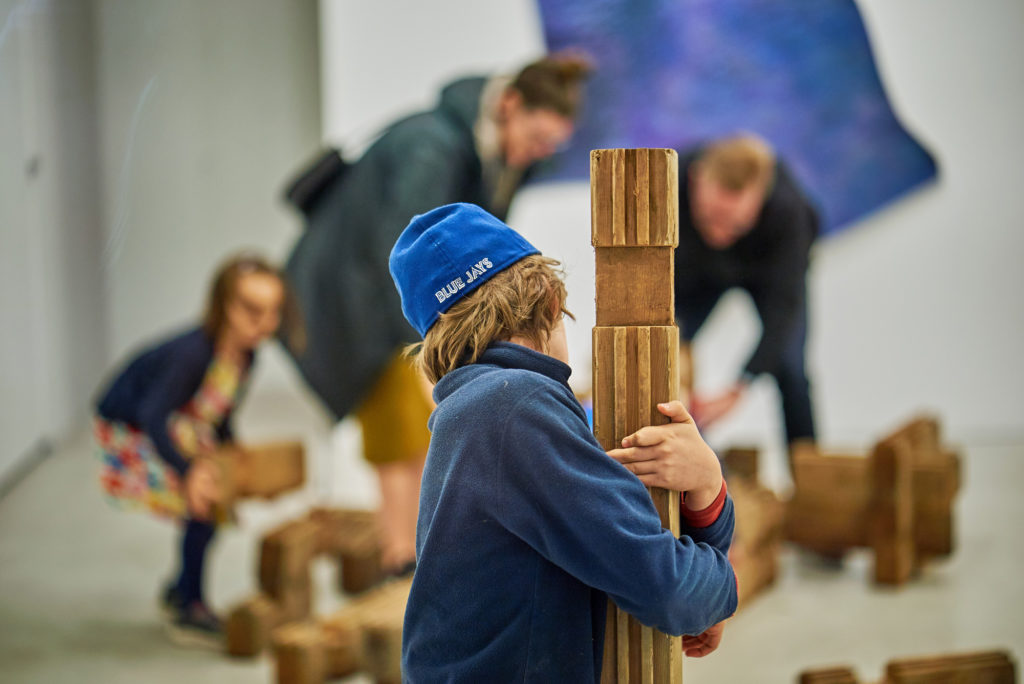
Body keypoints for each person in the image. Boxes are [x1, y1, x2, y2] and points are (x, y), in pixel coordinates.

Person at [389, 203, 737, 681]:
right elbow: (669, 590)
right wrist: (718, 587)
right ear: (551, 299)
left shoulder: (478, 411)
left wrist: (704, 491)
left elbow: (640, 552)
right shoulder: (515, 408)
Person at [283, 53, 591, 574]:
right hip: (354, 295)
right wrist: (436, 354)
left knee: (425, 419)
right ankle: (401, 555)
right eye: (536, 138)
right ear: (510, 105)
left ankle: (415, 549)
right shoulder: (433, 145)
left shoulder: (499, 152)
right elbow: (407, 258)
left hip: (382, 291)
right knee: (401, 417)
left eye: (548, 147)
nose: (537, 154)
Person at [93, 253, 301, 647]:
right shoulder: (192, 354)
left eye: (274, 312)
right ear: (223, 305)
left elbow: (218, 409)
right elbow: (154, 415)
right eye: (252, 311)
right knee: (203, 503)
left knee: (214, 500)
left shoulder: (246, 354)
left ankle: (180, 589)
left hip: (177, 421)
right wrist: (189, 471)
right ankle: (189, 605)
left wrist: (232, 450)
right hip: (131, 426)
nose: (266, 324)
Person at [674, 134, 821, 462]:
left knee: (792, 369)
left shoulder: (791, 212)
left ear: (761, 197)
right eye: (711, 217)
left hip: (766, 272)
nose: (719, 233)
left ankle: (810, 476)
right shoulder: (672, 177)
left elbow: (785, 308)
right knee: (666, 348)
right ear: (697, 180)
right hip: (697, 270)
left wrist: (739, 386)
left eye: (734, 224)